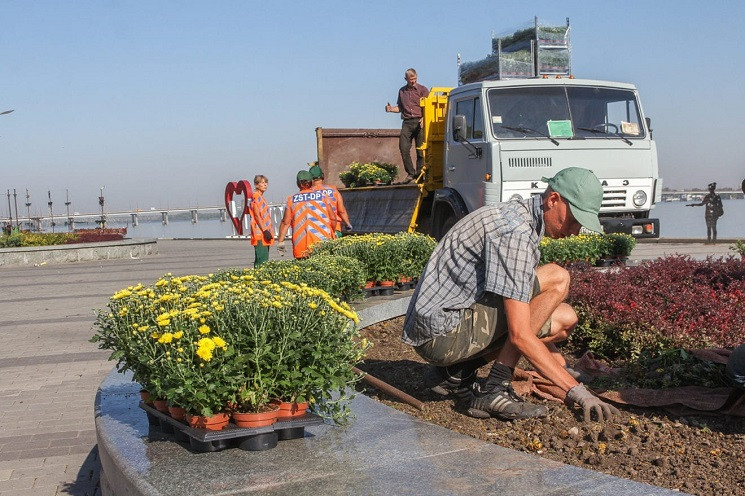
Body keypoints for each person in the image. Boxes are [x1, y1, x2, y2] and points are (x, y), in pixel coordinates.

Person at [403, 167, 620, 423]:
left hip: (444, 324)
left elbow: (530, 313)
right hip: (441, 333)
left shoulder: (518, 217)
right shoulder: (514, 233)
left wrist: (561, 368)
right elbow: (520, 335)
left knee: (563, 319)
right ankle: (494, 389)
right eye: (574, 220)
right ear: (553, 200)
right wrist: (576, 390)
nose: (574, 231)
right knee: (557, 277)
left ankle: (456, 372)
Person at [276, 170, 336, 259]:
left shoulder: (291, 200)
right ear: (312, 182)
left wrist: (280, 241)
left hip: (301, 245)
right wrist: (333, 233)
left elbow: (285, 223)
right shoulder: (323, 197)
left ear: (297, 184)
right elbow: (333, 218)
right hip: (322, 244)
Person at [385, 68, 429, 184]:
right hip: (407, 122)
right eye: (410, 80)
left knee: (420, 151)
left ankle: (420, 175)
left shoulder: (423, 90)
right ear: (406, 79)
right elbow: (400, 107)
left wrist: (425, 118)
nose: (413, 81)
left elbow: (428, 106)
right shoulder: (402, 91)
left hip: (420, 121)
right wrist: (390, 109)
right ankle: (411, 173)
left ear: (417, 77)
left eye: (414, 79)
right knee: (403, 148)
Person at [309, 164, 352, 237]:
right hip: (335, 228)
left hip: (316, 229)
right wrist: (348, 224)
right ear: (322, 176)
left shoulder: (309, 193)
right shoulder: (334, 190)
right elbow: (341, 211)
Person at [249, 174, 274, 267]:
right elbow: (257, 215)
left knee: (264, 260)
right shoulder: (256, 197)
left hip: (264, 234)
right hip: (260, 234)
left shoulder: (261, 197)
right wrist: (265, 231)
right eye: (262, 183)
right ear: (256, 185)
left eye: (266, 183)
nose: (265, 185)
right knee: (262, 261)